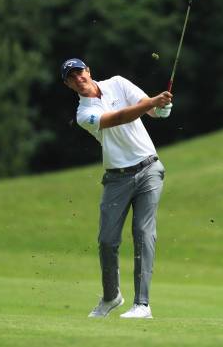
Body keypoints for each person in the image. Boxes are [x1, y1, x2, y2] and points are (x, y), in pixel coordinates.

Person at [61, 58, 172, 319]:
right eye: (72, 77)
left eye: (80, 72)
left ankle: (142, 305)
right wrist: (153, 102)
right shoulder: (83, 114)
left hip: (149, 169)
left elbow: (153, 112)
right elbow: (120, 117)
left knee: (144, 233)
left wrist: (163, 107)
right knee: (107, 241)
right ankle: (111, 296)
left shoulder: (118, 83)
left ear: (89, 71)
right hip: (116, 178)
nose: (78, 78)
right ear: (68, 84)